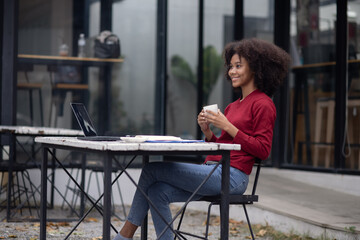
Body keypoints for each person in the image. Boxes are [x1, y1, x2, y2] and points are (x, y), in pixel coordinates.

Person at [113, 38, 291, 240]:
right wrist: (208, 133)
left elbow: (263, 150)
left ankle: (124, 236)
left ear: (256, 68)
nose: (232, 71)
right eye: (231, 67)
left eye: (238, 66)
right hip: (212, 170)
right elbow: (224, 146)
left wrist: (227, 126)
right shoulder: (233, 106)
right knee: (157, 190)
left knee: (151, 169)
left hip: (233, 177)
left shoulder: (263, 104)